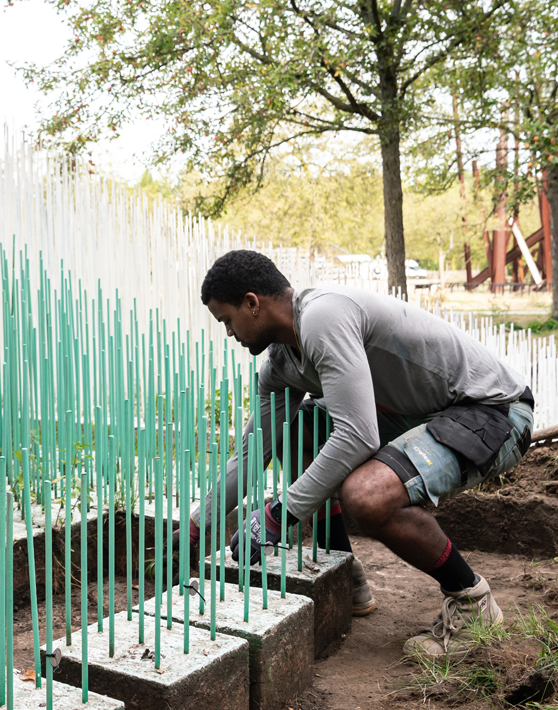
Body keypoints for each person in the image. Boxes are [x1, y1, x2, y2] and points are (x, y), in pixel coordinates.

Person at [185, 250, 534, 659]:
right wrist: (196, 525)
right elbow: (250, 455)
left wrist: (280, 513)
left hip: (491, 412)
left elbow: (358, 434)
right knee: (297, 429)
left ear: (251, 303)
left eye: (227, 320)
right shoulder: (281, 363)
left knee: (367, 494)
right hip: (417, 417)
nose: (229, 333)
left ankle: (472, 602)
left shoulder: (322, 317)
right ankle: (344, 576)